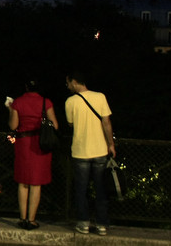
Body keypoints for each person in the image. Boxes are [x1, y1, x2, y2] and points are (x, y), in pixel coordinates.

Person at [65, 70, 116, 236]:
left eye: (68, 82)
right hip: (100, 149)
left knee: (81, 189)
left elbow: (71, 124)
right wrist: (111, 145)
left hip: (80, 151)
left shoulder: (70, 101)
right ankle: (101, 224)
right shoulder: (100, 97)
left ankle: (83, 223)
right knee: (101, 189)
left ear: (74, 82)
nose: (67, 86)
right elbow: (106, 122)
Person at [8, 80, 59, 230]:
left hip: (23, 143)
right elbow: (55, 125)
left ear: (25, 87)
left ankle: (22, 218)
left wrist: (11, 109)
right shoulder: (46, 102)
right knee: (36, 183)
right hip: (40, 144)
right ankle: (31, 220)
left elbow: (13, 125)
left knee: (23, 182)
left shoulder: (18, 102)